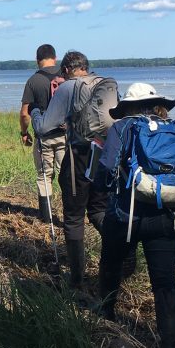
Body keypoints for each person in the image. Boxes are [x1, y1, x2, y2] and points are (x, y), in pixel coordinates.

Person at [95, 83, 175, 348]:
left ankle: (107, 320)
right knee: (165, 283)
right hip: (168, 215)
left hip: (126, 216)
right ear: (158, 105)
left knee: (110, 265)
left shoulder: (122, 128)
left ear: (129, 107)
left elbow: (104, 174)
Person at [36, 51, 109, 288]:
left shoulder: (68, 88)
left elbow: (44, 127)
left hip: (78, 156)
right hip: (105, 156)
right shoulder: (103, 84)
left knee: (74, 218)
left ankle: (76, 280)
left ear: (67, 69)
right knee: (99, 210)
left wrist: (37, 113)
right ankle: (121, 255)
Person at [20, 44, 66, 222]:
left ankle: (46, 218)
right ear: (55, 57)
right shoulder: (66, 76)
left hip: (43, 137)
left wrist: (24, 132)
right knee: (66, 175)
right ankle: (70, 214)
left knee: (44, 176)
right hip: (65, 134)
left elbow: (25, 113)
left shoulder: (33, 81)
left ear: (37, 59)